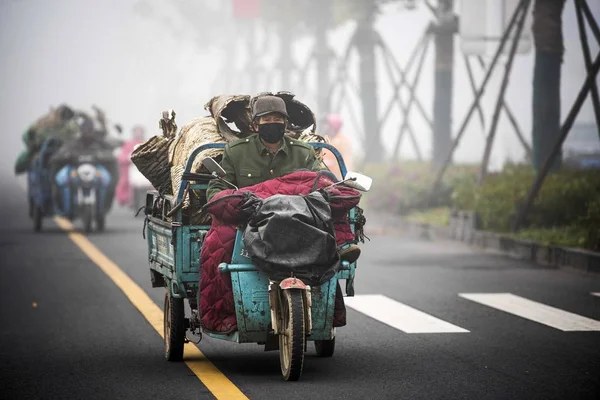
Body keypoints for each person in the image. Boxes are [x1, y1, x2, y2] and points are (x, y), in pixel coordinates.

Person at [206, 95, 360, 264]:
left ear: (285, 124)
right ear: (255, 125)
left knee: (328, 262)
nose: (273, 122)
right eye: (267, 119)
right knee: (220, 252)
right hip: (250, 221)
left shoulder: (304, 153)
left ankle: (339, 250)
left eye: (278, 119)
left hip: (298, 220)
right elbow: (217, 187)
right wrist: (234, 204)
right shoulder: (236, 152)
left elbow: (320, 184)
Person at [116, 125, 145, 206]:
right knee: (124, 182)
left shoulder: (146, 143)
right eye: (136, 132)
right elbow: (121, 157)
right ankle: (126, 199)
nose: (138, 134)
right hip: (130, 169)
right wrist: (128, 158)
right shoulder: (128, 144)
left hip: (143, 169)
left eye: (140, 132)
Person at [321, 113, 354, 180]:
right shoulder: (323, 140)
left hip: (337, 179)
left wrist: (345, 178)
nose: (325, 126)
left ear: (334, 126)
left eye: (327, 124)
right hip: (323, 177)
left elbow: (347, 163)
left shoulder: (343, 142)